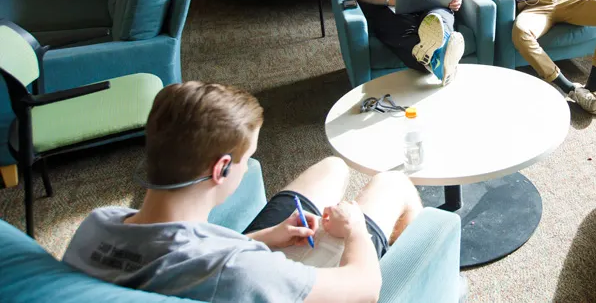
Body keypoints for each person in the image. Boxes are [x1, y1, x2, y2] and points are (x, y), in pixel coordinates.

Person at [63, 81, 423, 302]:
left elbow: (187, 258)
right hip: (289, 285)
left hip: (240, 264)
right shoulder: (241, 271)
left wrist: (266, 237)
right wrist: (355, 228)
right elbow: (364, 287)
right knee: (393, 184)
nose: (247, 164)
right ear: (221, 169)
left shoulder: (98, 224)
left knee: (332, 167)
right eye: (247, 158)